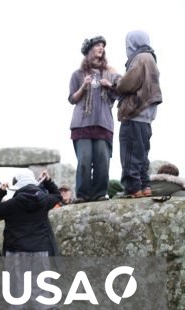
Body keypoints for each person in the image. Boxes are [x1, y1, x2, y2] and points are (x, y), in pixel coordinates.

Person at [0, 169, 62, 310]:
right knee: (41, 289)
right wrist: (48, 182)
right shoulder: (44, 201)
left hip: (16, 250)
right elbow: (57, 195)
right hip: (40, 250)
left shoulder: (12, 204)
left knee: (17, 289)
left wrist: (0, 192)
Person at [68, 36, 120, 203]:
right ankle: (82, 195)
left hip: (103, 123)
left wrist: (109, 86)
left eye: (103, 46)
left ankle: (99, 193)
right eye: (98, 45)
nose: (101, 48)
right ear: (89, 50)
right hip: (82, 124)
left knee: (102, 161)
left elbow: (118, 95)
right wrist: (84, 86)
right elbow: (72, 99)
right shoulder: (77, 74)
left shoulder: (110, 73)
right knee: (84, 159)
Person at [113, 31, 162, 198]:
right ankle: (144, 186)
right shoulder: (151, 58)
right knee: (142, 155)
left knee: (129, 154)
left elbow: (127, 84)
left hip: (135, 113)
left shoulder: (140, 58)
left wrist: (116, 82)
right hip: (146, 117)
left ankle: (132, 188)